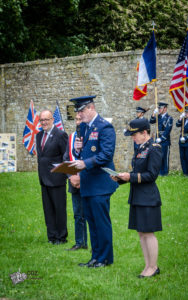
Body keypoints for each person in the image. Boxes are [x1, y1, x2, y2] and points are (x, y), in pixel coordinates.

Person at [69, 95, 118, 268]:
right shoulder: (83, 127)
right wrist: (77, 151)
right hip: (88, 183)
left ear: (91, 108)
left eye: (81, 111)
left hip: (101, 183)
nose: (79, 115)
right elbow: (83, 155)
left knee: (101, 222)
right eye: (78, 112)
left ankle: (105, 259)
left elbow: (106, 155)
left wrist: (85, 163)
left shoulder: (105, 127)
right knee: (91, 221)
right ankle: (95, 257)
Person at [111, 118, 162, 278]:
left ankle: (153, 267)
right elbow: (136, 173)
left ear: (144, 132)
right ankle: (148, 266)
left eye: (134, 135)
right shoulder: (140, 148)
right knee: (141, 232)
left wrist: (130, 177)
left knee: (148, 233)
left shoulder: (154, 148)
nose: (133, 138)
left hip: (148, 197)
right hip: (138, 196)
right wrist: (121, 178)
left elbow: (152, 175)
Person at [36, 109, 68, 245]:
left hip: (57, 179)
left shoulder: (60, 135)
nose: (44, 122)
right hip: (44, 179)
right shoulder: (38, 136)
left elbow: (65, 156)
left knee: (59, 209)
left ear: (52, 120)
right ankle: (52, 236)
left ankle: (61, 237)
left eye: (46, 120)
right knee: (48, 209)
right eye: (41, 120)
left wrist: (65, 174)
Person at [63, 115, 88, 251]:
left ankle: (93, 243)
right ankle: (80, 242)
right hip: (73, 181)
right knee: (78, 214)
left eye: (81, 120)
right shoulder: (71, 137)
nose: (78, 122)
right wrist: (71, 176)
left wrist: (81, 177)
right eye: (77, 120)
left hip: (88, 181)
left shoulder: (91, 136)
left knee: (90, 214)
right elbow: (66, 158)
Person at [149, 102, 173, 176]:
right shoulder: (158, 116)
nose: (159, 109)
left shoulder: (169, 118)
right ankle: (159, 172)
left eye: (161, 108)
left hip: (165, 140)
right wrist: (153, 113)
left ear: (165, 108)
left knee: (165, 157)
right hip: (157, 139)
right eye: (159, 108)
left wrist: (162, 139)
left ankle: (165, 172)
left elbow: (168, 130)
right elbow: (151, 121)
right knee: (159, 157)